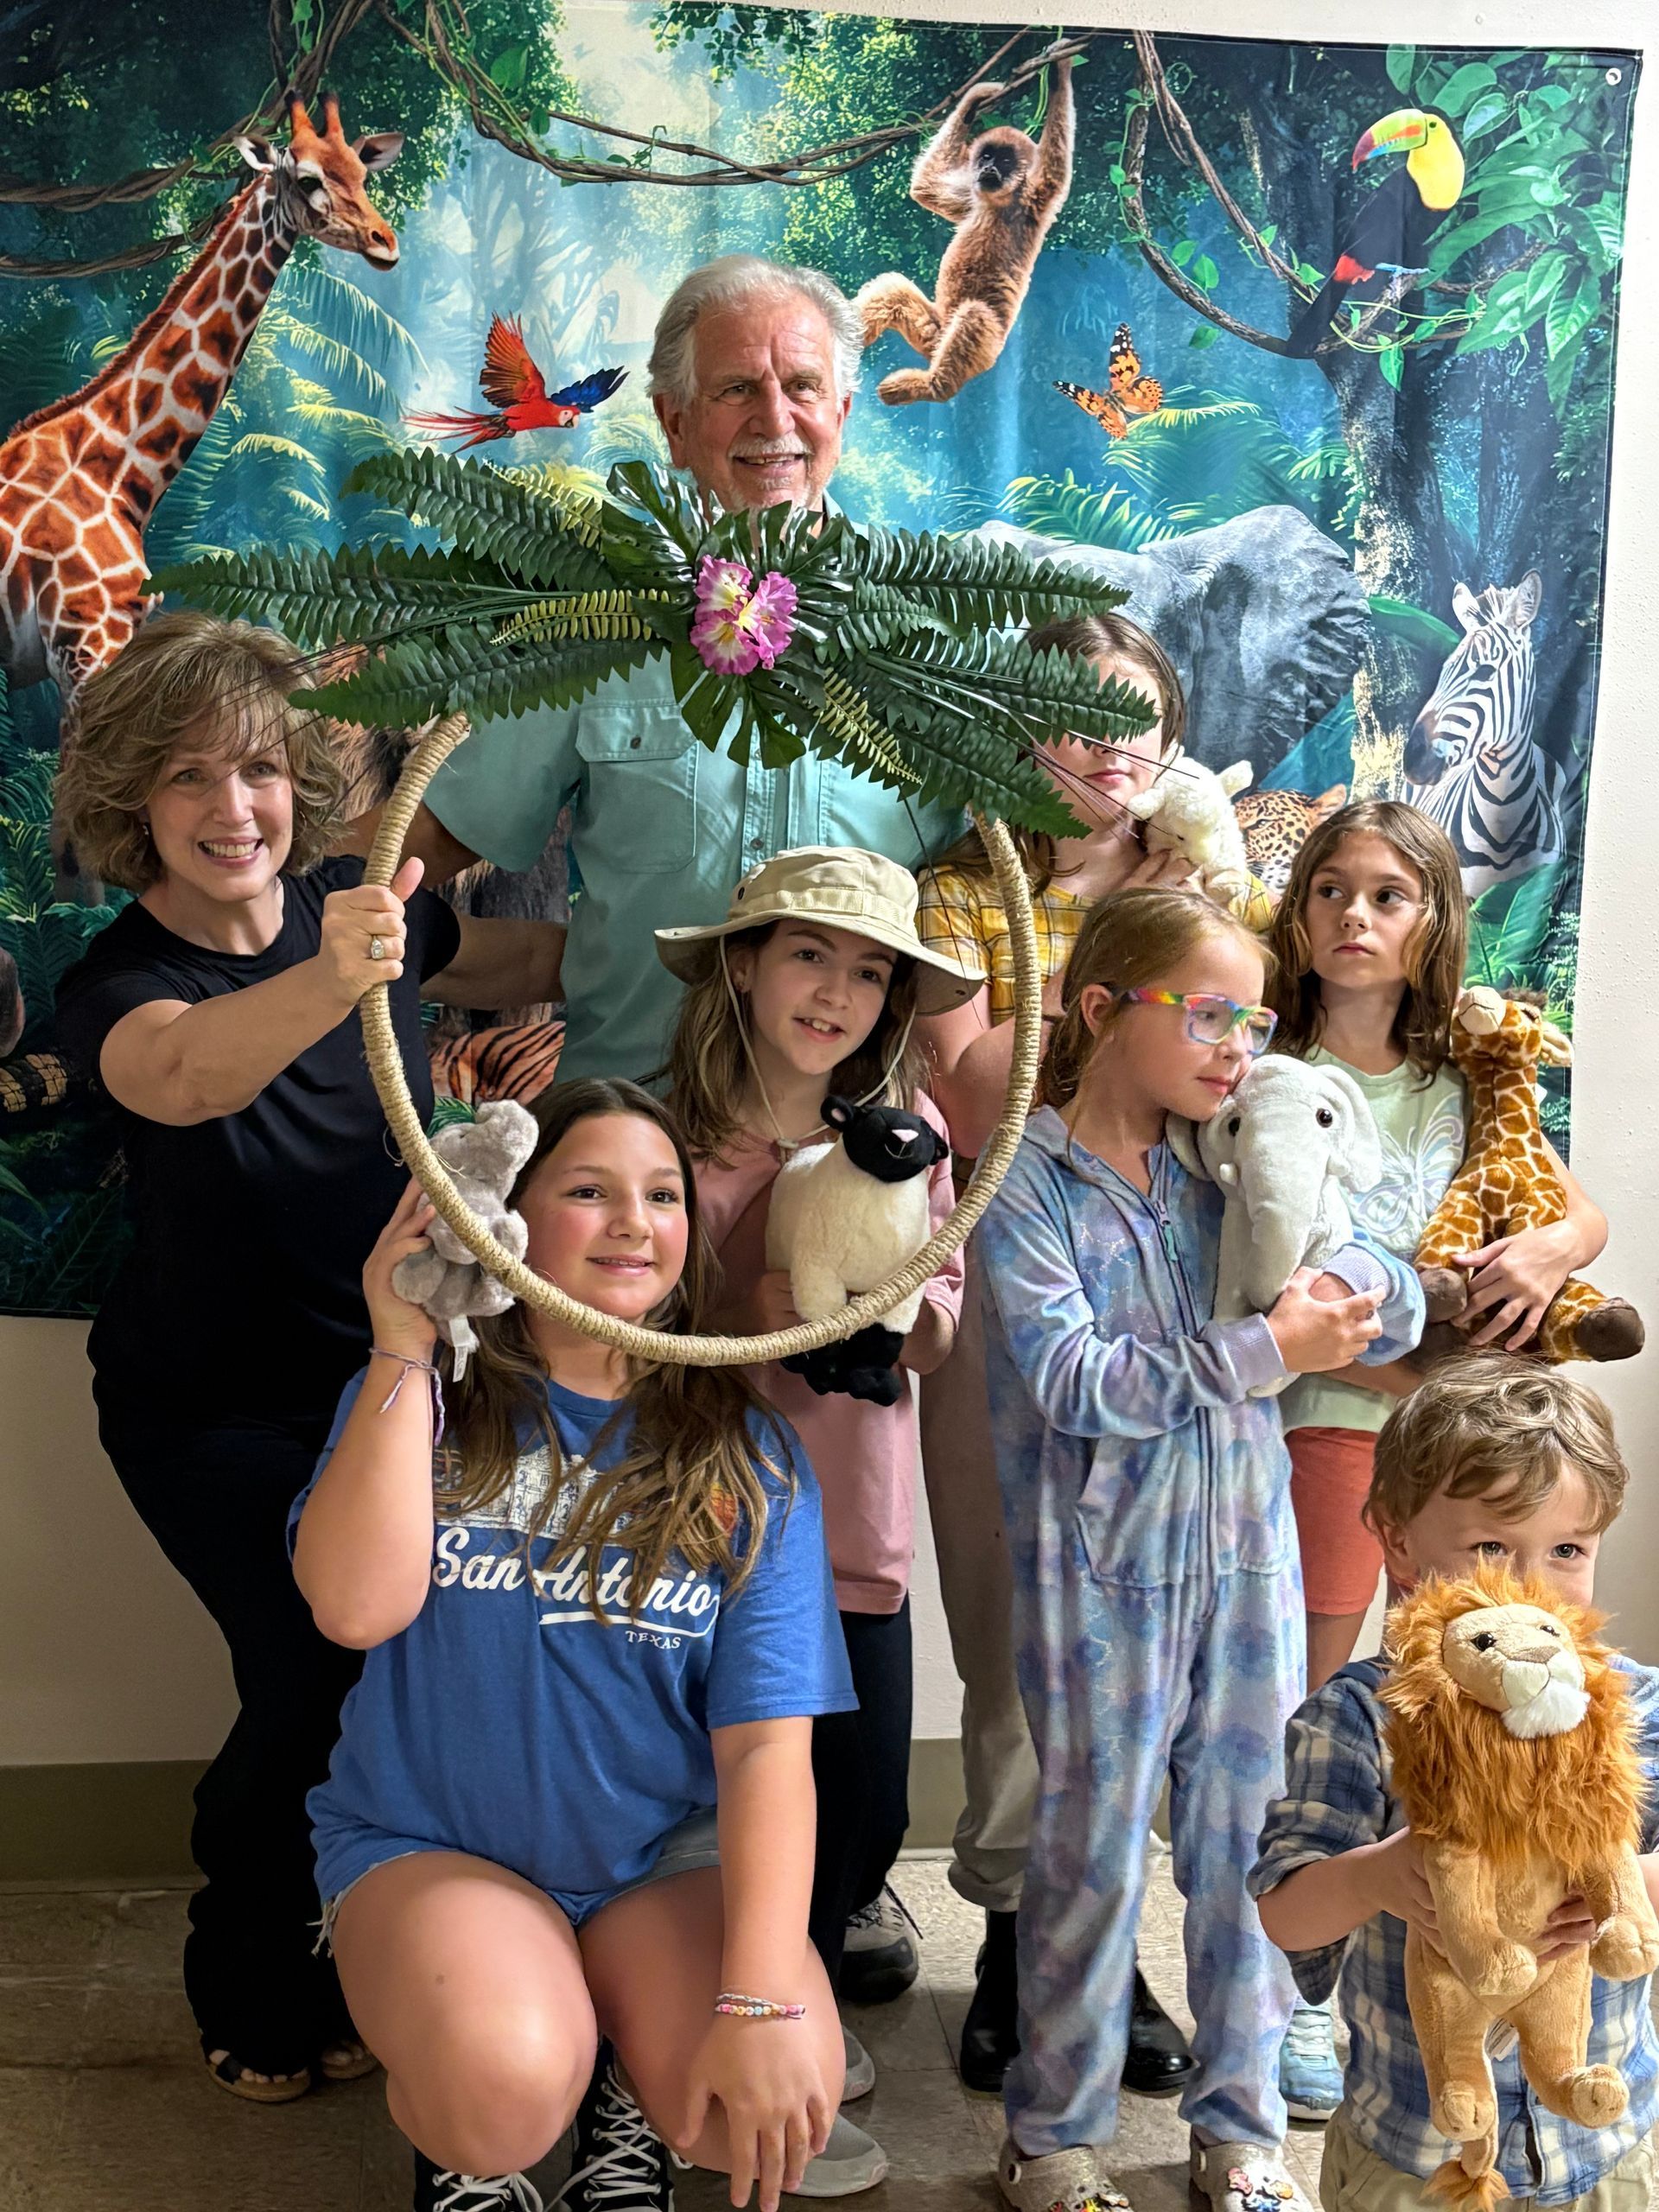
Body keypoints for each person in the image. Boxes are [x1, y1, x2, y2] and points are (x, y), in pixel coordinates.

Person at [51, 612, 561, 2104]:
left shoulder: (359, 904)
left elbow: (531, 950)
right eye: (192, 777)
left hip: (394, 1386)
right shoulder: (119, 980)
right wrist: (343, 975)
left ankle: (379, 1938)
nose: (233, 809)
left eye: (262, 771)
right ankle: (248, 1955)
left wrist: (704, 958)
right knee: (313, 1661)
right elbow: (187, 1074)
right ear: (133, 803)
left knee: (412, 1665)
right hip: (208, 1412)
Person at [291, 1080, 855, 2212]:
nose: (634, 1222)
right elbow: (353, 1610)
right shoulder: (425, 1401)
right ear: (508, 1215)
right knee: (496, 2093)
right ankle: (491, 2107)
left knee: (764, 2099)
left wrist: (759, 2002)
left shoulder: (753, 1458)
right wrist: (401, 1339)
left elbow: (764, 1757)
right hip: (438, 1846)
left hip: (658, 1862)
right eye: (589, 1191)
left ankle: (625, 2089)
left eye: (661, 1196)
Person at [976, 885, 1425, 2212]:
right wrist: (1269, 1350)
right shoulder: (1020, 1187)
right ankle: (1052, 2136)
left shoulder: (1226, 1167)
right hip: (1096, 1582)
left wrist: (1366, 1293)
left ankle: (1239, 2129)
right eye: (1214, 1015)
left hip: (1246, 1565)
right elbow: (1076, 1381)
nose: (1241, 1047)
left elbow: (1370, 1267)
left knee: (1246, 1843)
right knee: (1091, 1854)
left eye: (1257, 1021)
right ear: (1104, 1009)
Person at [346, 253, 964, 1090]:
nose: (774, 416)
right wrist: (258, 910)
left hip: (850, 1165)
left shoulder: (939, 638)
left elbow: (1015, 888)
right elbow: (406, 854)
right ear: (673, 424)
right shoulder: (597, 624)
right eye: (737, 388)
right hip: (628, 1151)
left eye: (804, 386)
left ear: (843, 413)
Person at [913, 613, 1231, 2097]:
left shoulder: (1220, 896)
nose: (1115, 752)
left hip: (1179, 1314)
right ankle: (1015, 1937)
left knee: (1157, 1652)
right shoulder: (963, 894)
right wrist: (1125, 976)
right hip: (1010, 1294)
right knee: (1018, 1635)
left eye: (1142, 723)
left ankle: (1119, 1948)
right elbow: (976, 1088)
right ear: (1018, 722)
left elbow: (1245, 1079)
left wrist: (1175, 962)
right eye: (1080, 718)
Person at [1265, 801, 1608, 2120]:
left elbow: (1569, 1206)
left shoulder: (1468, 1070)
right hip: (1328, 1426)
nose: (1358, 918)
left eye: (1390, 897)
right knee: (1318, 1715)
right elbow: (1271, 1293)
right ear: (1299, 915)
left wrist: (1549, 1256)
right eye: (1334, 892)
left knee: (1471, 1698)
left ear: (1431, 924)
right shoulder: (1268, 1073)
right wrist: (1419, 1383)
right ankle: (1296, 1989)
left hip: (1461, 1450)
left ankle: (1488, 1943)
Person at [658, 845, 982, 2177]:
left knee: (854, 1808)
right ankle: (733, 2043)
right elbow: (628, 1316)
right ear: (742, 963)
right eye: (809, 954)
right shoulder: (669, 1140)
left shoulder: (912, 1147)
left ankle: (795, 2001)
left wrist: (880, 1314)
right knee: (705, 1809)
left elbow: (939, 1332)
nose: (835, 992)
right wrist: (754, 1305)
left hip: (852, 1537)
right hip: (701, 1531)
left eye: (868, 972)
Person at [1251, 1354, 1658, 2212]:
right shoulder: (1359, 1715)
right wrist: (1377, 1874)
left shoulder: (1636, 1704)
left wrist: (1617, 1891)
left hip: (1600, 2141)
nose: (1530, 1587)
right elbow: (1287, 1914)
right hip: (1413, 2153)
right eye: (1489, 1546)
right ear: (1397, 1536)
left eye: (1567, 1548)